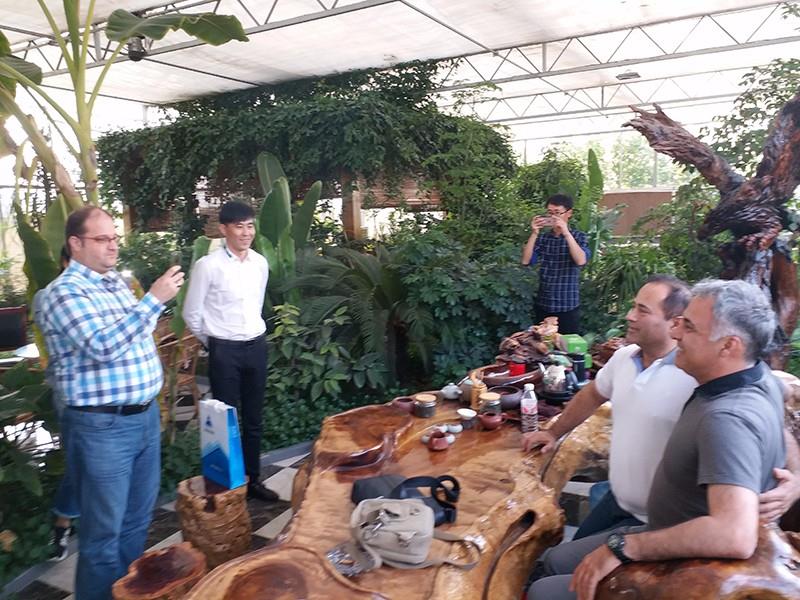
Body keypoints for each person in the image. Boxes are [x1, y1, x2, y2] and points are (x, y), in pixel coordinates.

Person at [528, 278, 789, 600]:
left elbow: (734, 534)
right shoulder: (754, 378)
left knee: (544, 590)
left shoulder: (726, 416)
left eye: (689, 327)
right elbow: (779, 424)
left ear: (729, 346)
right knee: (556, 560)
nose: (677, 333)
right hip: (635, 511)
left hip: (684, 558)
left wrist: (624, 547)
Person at [38, 206, 183, 600]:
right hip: (102, 428)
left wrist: (146, 306)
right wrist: (153, 300)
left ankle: (123, 594)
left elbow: (136, 333)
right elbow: (103, 346)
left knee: (136, 523)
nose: (113, 246)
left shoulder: (116, 283)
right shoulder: (62, 294)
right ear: (75, 243)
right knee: (103, 536)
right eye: (102, 239)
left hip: (143, 419)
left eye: (114, 238)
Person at [523, 275, 697, 537]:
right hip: (618, 499)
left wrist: (766, 489)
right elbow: (593, 394)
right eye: (633, 306)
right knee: (563, 552)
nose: (629, 316)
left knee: (564, 559)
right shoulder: (624, 357)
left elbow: (743, 414)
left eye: (642, 310)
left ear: (675, 322)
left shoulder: (694, 373)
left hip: (662, 521)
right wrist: (552, 433)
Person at [182, 200, 277, 502]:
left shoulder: (259, 263)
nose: (246, 232)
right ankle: (229, 487)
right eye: (239, 226)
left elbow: (256, 304)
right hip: (224, 350)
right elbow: (191, 313)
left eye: (250, 226)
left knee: (254, 418)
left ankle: (253, 479)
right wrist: (214, 342)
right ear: (224, 229)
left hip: (256, 345)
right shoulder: (208, 266)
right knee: (226, 421)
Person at [34, 248, 79, 562]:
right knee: (79, 461)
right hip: (71, 394)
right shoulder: (49, 296)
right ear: (66, 261)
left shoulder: (106, 288)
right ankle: (62, 524)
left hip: (108, 397)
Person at [521, 194, 590, 334]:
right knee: (541, 345)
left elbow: (581, 260)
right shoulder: (543, 238)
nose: (553, 217)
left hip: (568, 305)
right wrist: (534, 233)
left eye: (557, 213)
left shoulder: (579, 236)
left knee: (567, 345)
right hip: (543, 304)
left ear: (569, 213)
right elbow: (525, 261)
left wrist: (566, 232)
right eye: (550, 213)